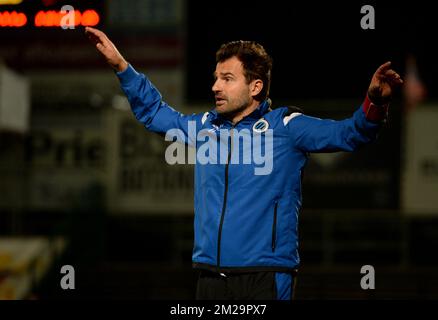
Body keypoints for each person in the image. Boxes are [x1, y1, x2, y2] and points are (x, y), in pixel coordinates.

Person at [85, 27, 403, 300]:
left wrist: (374, 103)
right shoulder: (206, 127)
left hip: (265, 275)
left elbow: (350, 134)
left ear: (255, 86)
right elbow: (155, 113)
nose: (215, 87)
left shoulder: (287, 127)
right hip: (209, 276)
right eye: (215, 78)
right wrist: (122, 67)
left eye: (227, 78)